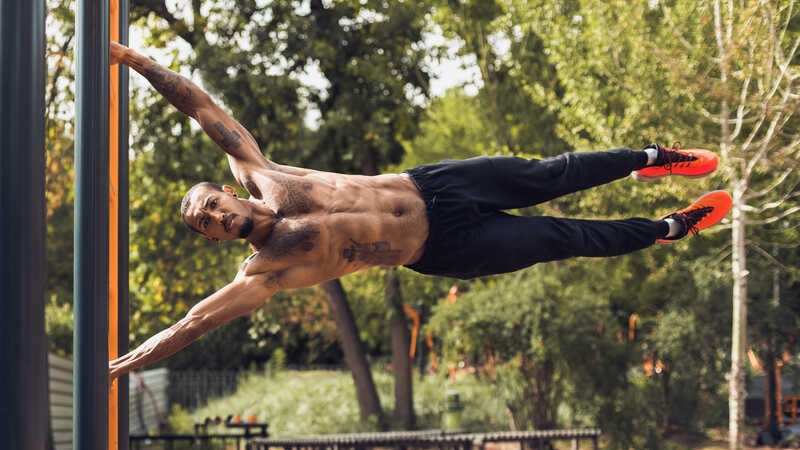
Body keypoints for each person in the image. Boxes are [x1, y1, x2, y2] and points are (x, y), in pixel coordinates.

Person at [107, 42, 732, 380]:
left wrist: (136, 62)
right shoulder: (264, 271)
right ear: (217, 239)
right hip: (442, 251)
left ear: (228, 190)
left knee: (551, 173)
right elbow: (192, 324)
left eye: (214, 206)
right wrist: (121, 366)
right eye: (208, 226)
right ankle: (669, 227)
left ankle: (650, 156)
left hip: (437, 186)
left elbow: (201, 107)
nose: (218, 219)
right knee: (559, 237)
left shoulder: (264, 174)